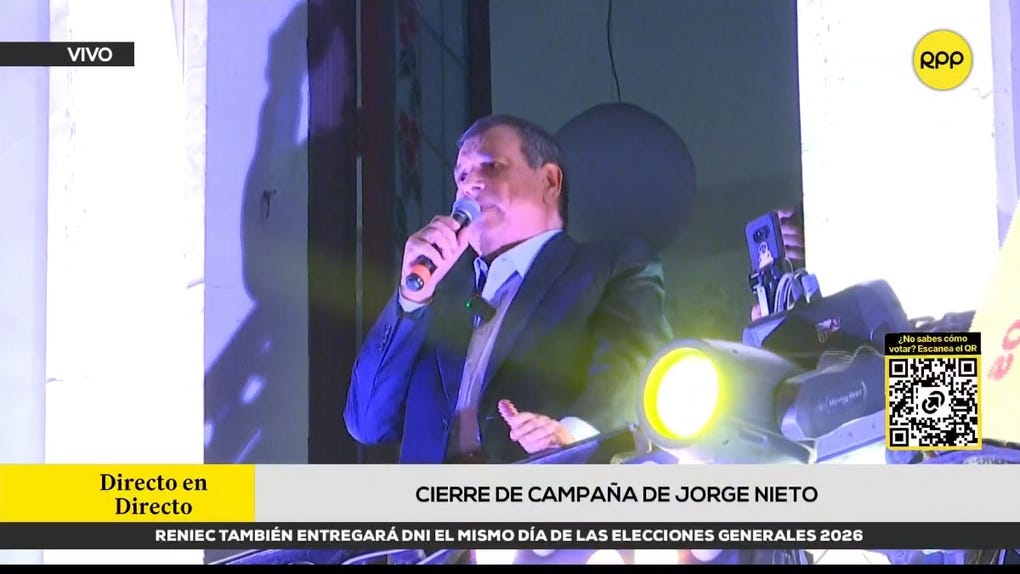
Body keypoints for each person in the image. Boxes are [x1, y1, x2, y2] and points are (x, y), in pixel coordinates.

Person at [344, 114, 675, 463]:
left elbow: (633, 367)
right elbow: (366, 423)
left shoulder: (612, 266)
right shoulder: (437, 298)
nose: (470, 185)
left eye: (491, 166)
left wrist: (571, 437)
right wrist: (410, 300)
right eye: (461, 176)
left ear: (549, 180)